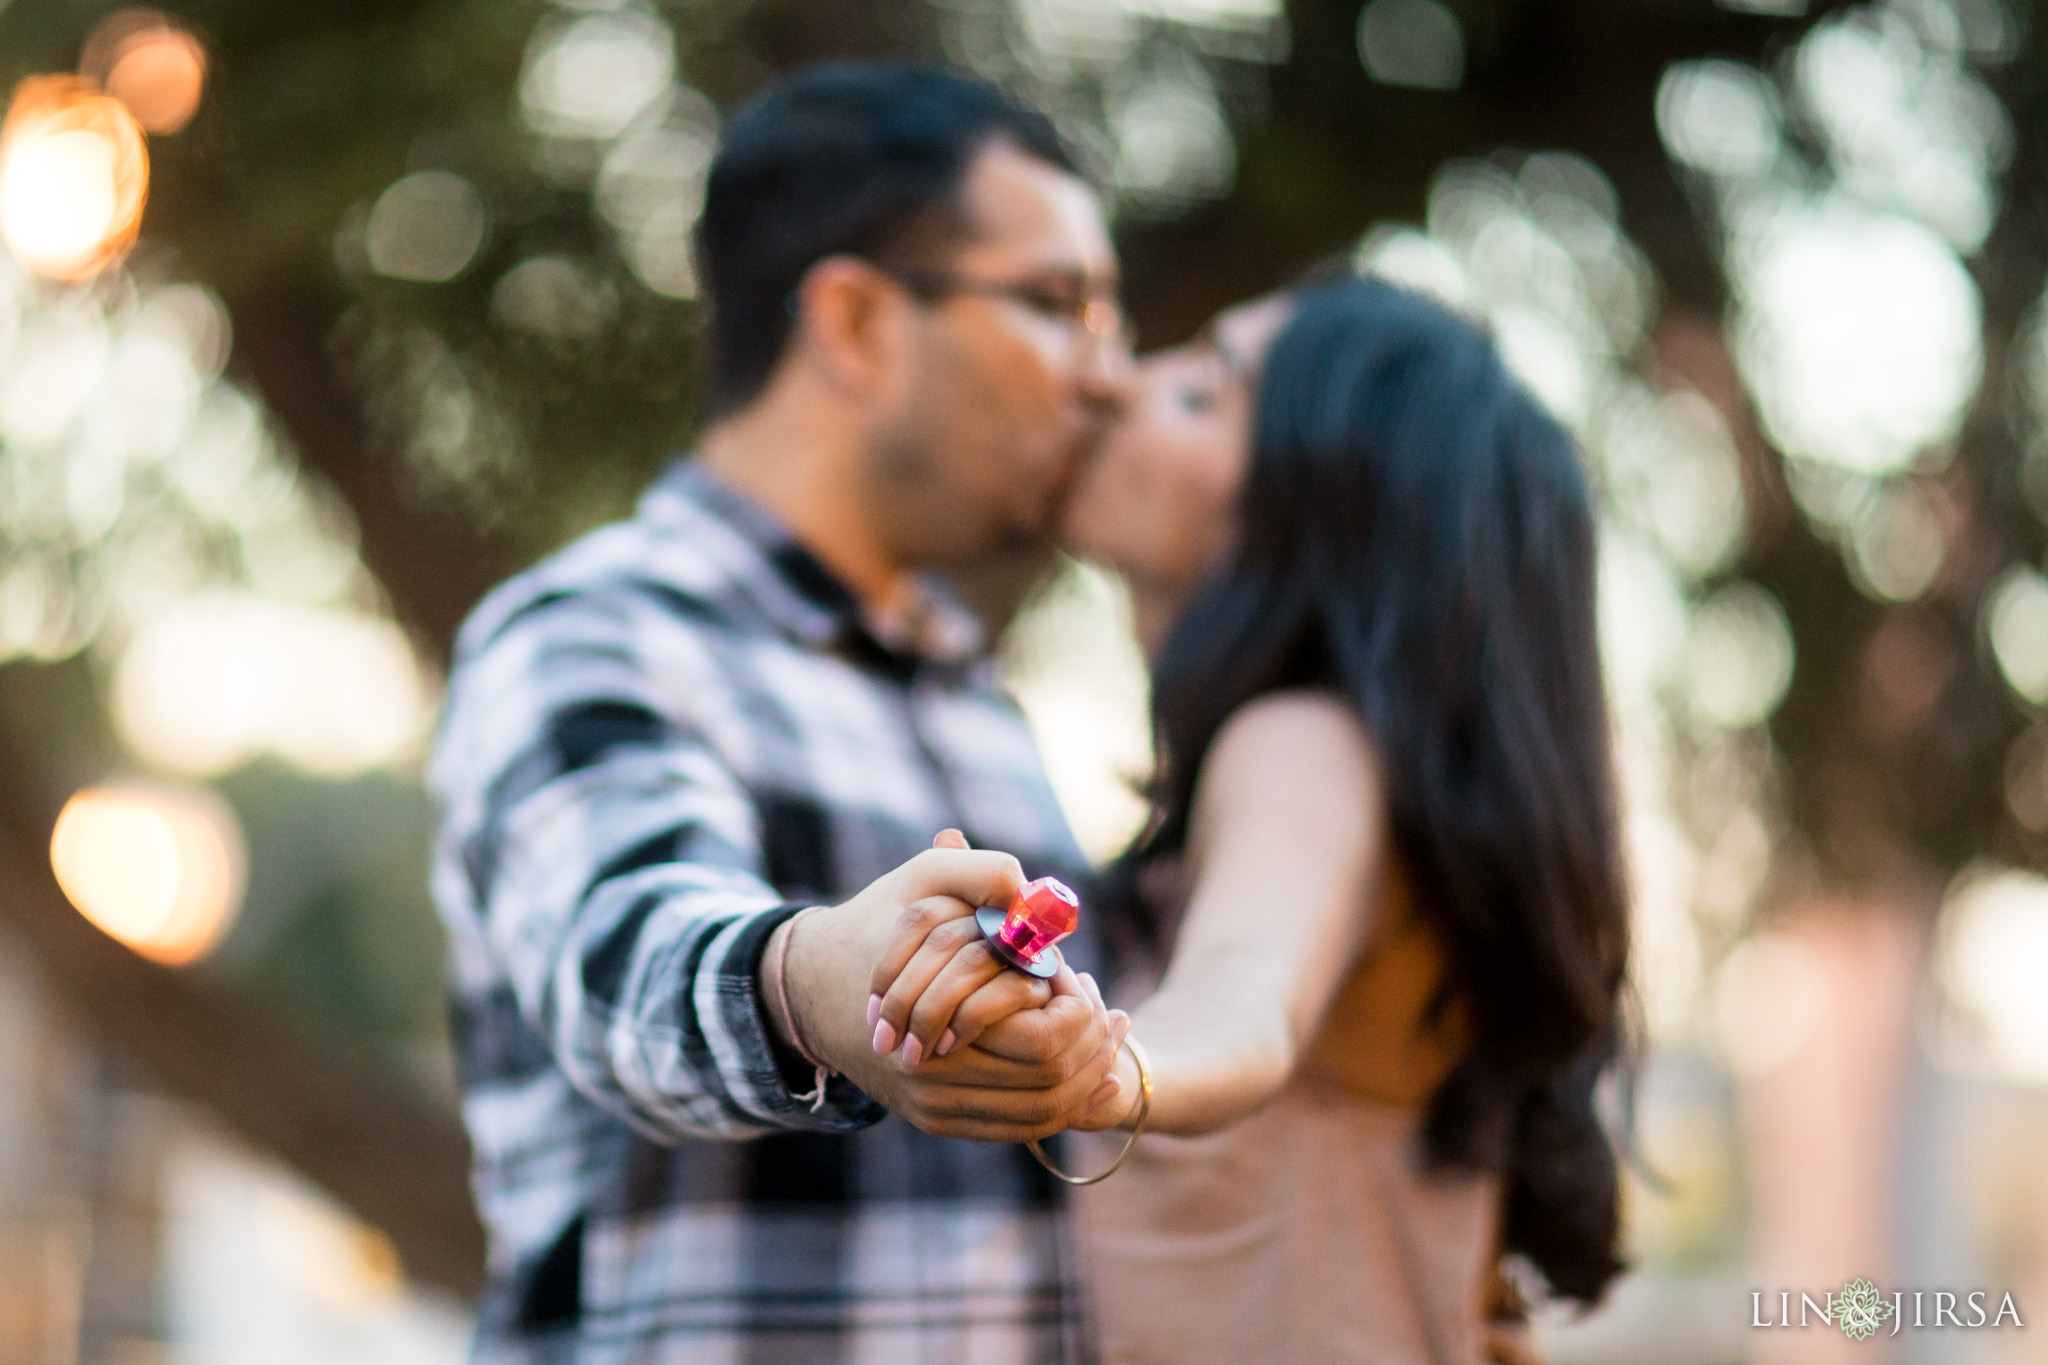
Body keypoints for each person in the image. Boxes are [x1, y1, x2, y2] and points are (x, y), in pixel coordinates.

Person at [429, 61, 1135, 1362]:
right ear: (858, 323)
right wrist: (817, 985)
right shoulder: (590, 632)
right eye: (1059, 305)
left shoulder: (981, 702)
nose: (1112, 376)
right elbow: (627, 947)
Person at [869, 277, 1633, 1363]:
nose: (1123, 383)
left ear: (1321, 516)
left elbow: (1247, 992)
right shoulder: (1341, 759)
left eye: (1201, 391)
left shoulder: (1301, 742)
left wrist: (1105, 1064)